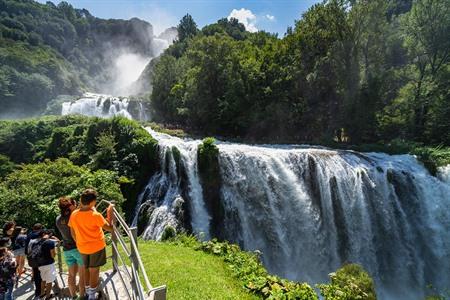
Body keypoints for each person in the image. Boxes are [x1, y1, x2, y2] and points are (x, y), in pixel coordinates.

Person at [68, 189, 114, 300]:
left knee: (87, 269)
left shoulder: (74, 214)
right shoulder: (95, 215)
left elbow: (72, 232)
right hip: (96, 247)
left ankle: (89, 292)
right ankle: (92, 296)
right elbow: (109, 228)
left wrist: (79, 241)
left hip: (82, 247)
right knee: (95, 270)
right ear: (92, 202)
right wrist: (110, 212)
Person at [56, 197, 85, 299]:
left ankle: (73, 296)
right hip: (78, 248)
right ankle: (82, 296)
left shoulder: (58, 219)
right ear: (71, 206)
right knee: (82, 275)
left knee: (71, 275)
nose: (76, 205)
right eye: (75, 204)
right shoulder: (74, 216)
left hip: (67, 250)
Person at [28, 230, 59, 300]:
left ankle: (42, 294)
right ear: (48, 234)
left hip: (40, 264)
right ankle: (48, 296)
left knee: (43, 280)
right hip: (49, 264)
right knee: (49, 281)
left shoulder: (37, 242)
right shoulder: (50, 242)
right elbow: (53, 255)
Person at [25, 224, 43, 299]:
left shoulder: (29, 235)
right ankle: (42, 290)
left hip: (31, 258)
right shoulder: (40, 234)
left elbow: (26, 248)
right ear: (40, 228)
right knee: (42, 274)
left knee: (36, 274)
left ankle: (37, 292)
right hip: (40, 258)